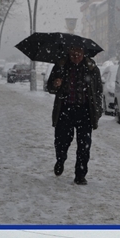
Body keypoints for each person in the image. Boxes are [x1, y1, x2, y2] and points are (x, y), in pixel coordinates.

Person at [45, 46, 103, 185]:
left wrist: (98, 110)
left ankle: (80, 174)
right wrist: (55, 84)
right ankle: (61, 159)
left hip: (85, 112)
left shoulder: (92, 69)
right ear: (69, 54)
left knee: (84, 145)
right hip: (65, 110)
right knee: (61, 141)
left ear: (84, 53)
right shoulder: (61, 67)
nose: (75, 57)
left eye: (78, 54)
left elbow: (99, 91)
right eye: (73, 54)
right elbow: (50, 88)